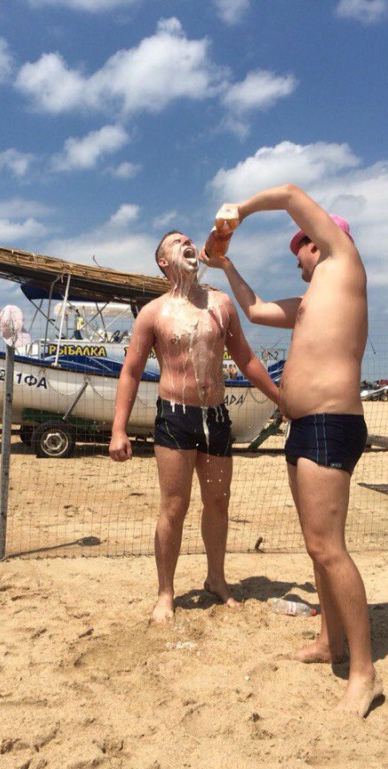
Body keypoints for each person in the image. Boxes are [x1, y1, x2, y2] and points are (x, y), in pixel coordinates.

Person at [200, 185, 383, 717]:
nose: (295, 260)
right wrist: (225, 263)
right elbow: (255, 310)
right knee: (315, 547)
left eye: (297, 250)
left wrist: (238, 212)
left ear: (317, 243)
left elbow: (289, 194)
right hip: (304, 425)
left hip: (331, 423)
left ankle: (364, 674)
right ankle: (330, 640)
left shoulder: (344, 263)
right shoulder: (311, 302)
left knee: (329, 548)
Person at [109, 230, 280, 623]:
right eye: (176, 242)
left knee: (218, 502)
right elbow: (131, 371)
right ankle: (165, 592)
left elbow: (246, 358)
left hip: (215, 416)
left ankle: (216, 579)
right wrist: (119, 429)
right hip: (175, 418)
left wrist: (280, 398)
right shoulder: (154, 313)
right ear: (163, 262)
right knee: (174, 506)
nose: (186, 243)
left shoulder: (220, 305)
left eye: (188, 239)